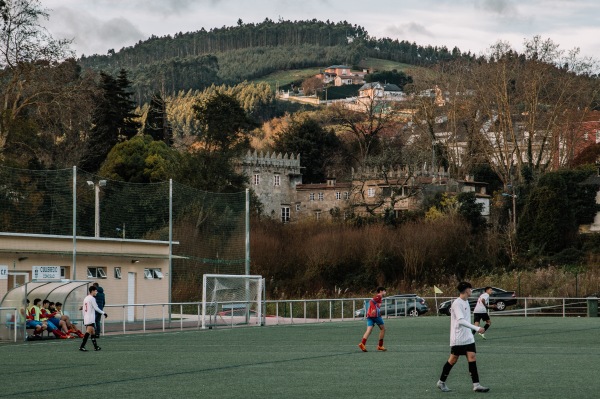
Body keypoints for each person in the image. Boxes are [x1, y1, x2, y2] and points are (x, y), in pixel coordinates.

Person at [436, 282, 490, 393]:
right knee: (453, 360)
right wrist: (476, 328)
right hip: (458, 338)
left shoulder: (466, 302)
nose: (472, 290)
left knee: (472, 357)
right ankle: (441, 382)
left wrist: (471, 332)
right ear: (466, 290)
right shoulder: (457, 303)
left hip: (468, 337)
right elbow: (460, 321)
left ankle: (476, 385)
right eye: (470, 289)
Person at [358, 286, 387, 352]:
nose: (385, 292)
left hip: (370, 315)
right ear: (381, 291)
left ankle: (362, 343)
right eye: (384, 291)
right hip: (375, 316)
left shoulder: (379, 297)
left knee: (369, 330)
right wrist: (374, 309)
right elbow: (371, 301)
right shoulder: (379, 296)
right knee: (383, 329)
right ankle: (380, 345)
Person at [80, 285, 108, 352]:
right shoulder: (92, 298)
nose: (96, 292)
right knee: (88, 332)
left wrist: (84, 316)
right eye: (95, 291)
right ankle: (82, 346)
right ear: (92, 291)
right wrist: (103, 313)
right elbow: (96, 308)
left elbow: (83, 308)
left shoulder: (86, 298)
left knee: (93, 332)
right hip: (90, 317)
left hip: (87, 317)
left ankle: (96, 347)